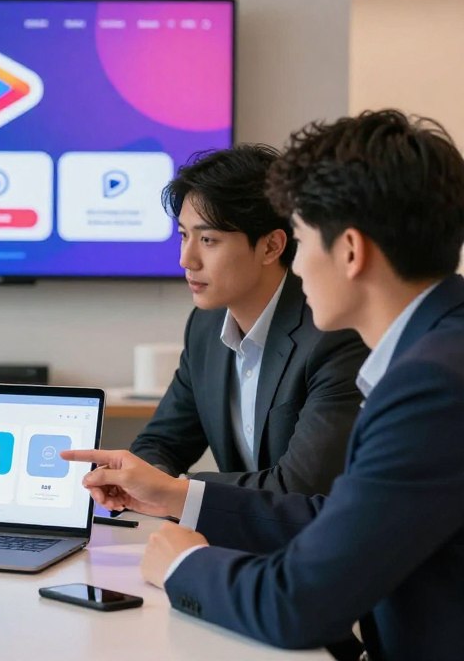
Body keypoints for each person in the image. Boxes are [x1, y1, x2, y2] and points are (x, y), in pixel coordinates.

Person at [64, 110, 464, 661]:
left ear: (350, 250)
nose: (297, 269)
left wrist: (185, 565)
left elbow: (297, 603)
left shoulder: (432, 384)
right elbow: (333, 513)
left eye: (299, 240)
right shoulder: (439, 351)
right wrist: (173, 494)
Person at [130, 145, 367, 494]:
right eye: (183, 235)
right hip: (243, 538)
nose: (186, 259)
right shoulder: (205, 327)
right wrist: (134, 479)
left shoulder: (332, 334)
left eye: (208, 240)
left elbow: (300, 486)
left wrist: (172, 491)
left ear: (271, 246)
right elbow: (162, 443)